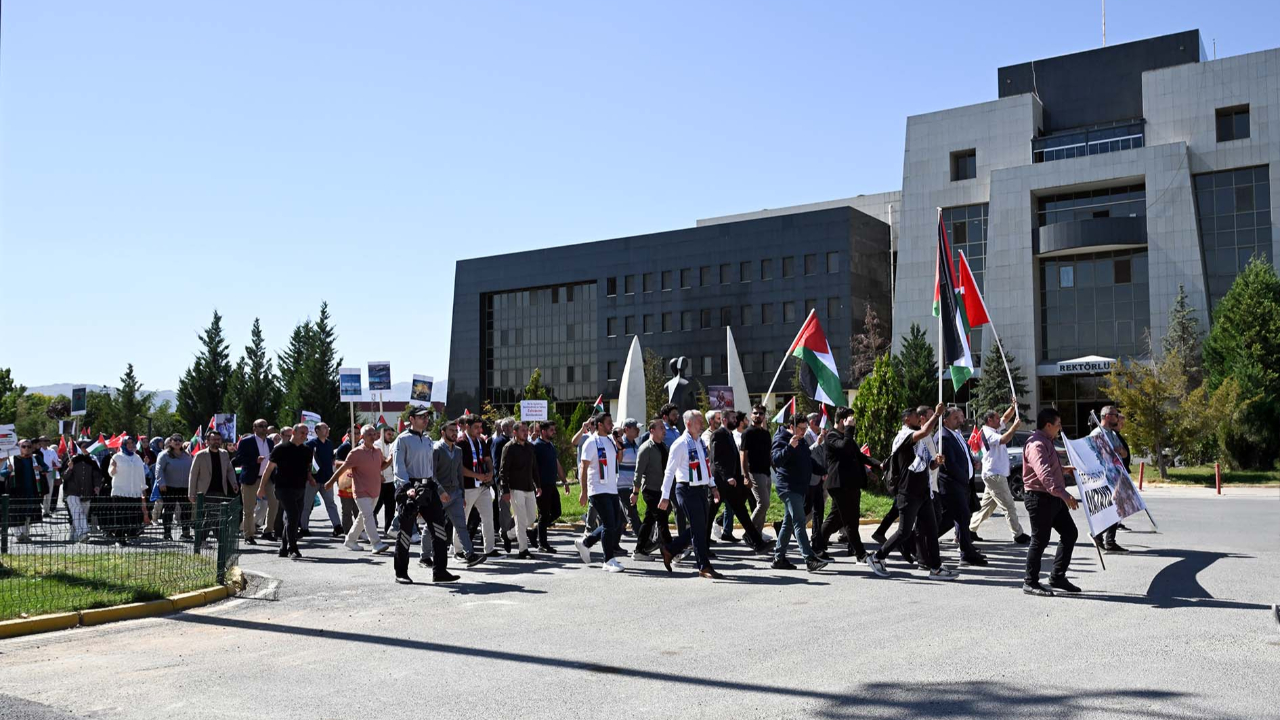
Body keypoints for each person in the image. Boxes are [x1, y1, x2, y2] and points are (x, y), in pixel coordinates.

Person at [867, 405, 958, 580]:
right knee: (904, 532)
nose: (920, 419)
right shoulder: (904, 436)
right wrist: (937, 414)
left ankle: (936, 567)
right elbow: (924, 432)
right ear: (907, 420)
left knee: (932, 530)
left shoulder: (918, 442)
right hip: (908, 492)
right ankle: (877, 557)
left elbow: (926, 465)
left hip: (923, 492)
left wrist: (936, 463)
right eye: (917, 417)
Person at [392, 409, 479, 584]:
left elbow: (431, 470)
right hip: (408, 487)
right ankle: (401, 572)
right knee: (406, 533)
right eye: (421, 417)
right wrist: (407, 487)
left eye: (426, 417)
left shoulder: (427, 440)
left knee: (439, 530)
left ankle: (440, 571)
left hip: (428, 487)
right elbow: (399, 466)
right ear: (411, 419)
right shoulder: (402, 439)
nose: (425, 420)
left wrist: (438, 490)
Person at [657, 410, 723, 578]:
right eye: (698, 422)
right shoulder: (680, 444)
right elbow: (669, 471)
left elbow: (706, 467)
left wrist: (713, 487)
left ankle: (670, 549)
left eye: (701, 421)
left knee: (699, 527)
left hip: (701, 489)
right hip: (686, 490)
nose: (701, 425)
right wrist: (665, 496)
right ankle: (704, 566)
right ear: (688, 424)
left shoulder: (700, 442)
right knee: (699, 528)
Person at [1022, 408, 1081, 596]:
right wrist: (1065, 495)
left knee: (1070, 533)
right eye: (1058, 425)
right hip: (1040, 498)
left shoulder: (1046, 441)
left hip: (1051, 497)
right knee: (1040, 540)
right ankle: (1030, 582)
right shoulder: (1036, 445)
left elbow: (1049, 468)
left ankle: (1057, 576)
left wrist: (1063, 469)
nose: (1060, 428)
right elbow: (1045, 476)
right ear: (1048, 425)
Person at [813, 407, 882, 561]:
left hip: (851, 484)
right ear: (843, 420)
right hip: (839, 485)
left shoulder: (846, 436)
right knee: (850, 520)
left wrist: (880, 465)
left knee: (836, 519)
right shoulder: (831, 436)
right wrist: (849, 429)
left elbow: (860, 456)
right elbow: (843, 448)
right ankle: (860, 554)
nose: (853, 423)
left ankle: (817, 547)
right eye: (850, 420)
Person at [770, 414, 828, 572]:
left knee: (788, 524)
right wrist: (789, 447)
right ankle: (809, 559)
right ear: (791, 427)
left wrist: (823, 470)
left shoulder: (801, 441)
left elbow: (808, 461)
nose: (803, 432)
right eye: (801, 428)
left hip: (799, 487)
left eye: (805, 428)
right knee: (799, 522)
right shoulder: (782, 438)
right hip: (788, 487)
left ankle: (778, 558)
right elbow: (775, 460)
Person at [708, 409, 771, 554]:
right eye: (732, 418)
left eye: (736, 419)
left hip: (732, 484)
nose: (736, 421)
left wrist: (738, 478)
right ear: (724, 420)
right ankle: (703, 547)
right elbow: (715, 460)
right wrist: (727, 477)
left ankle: (758, 543)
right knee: (709, 515)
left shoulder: (730, 435)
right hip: (720, 483)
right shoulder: (718, 435)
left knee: (742, 512)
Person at [969, 404, 1030, 544]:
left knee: (986, 507)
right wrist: (1014, 427)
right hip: (994, 475)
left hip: (993, 475)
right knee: (1009, 505)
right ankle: (1018, 534)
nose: (1000, 420)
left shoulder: (993, 428)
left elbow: (1005, 417)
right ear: (989, 420)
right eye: (996, 418)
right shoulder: (988, 432)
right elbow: (1004, 439)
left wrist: (1013, 407)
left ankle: (969, 530)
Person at [328, 425, 391, 555]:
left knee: (362, 517)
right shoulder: (355, 453)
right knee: (368, 517)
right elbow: (342, 468)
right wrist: (331, 482)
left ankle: (350, 540)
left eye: (374, 434)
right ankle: (376, 543)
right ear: (362, 437)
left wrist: (390, 459)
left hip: (375, 490)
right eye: (369, 434)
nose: (373, 437)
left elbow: (381, 466)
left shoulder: (378, 451)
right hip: (361, 492)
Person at [937, 408, 988, 567]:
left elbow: (963, 456)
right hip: (953, 484)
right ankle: (966, 553)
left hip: (962, 484)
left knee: (957, 518)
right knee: (960, 517)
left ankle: (966, 551)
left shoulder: (956, 434)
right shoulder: (943, 437)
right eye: (956, 418)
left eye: (961, 417)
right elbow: (949, 465)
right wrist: (964, 478)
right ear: (945, 420)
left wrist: (973, 463)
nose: (961, 420)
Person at [574, 412, 625, 572]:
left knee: (615, 524)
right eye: (609, 423)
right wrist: (583, 491)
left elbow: (619, 460)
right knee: (609, 525)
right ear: (600, 425)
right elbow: (583, 468)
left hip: (611, 488)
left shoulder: (610, 440)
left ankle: (586, 543)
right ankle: (608, 560)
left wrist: (620, 444)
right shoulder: (591, 442)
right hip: (597, 489)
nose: (612, 425)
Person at [257, 423, 315, 559]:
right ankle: (292, 547)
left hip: (300, 488)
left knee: (292, 518)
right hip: (283, 488)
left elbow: (307, 468)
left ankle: (283, 547)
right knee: (293, 515)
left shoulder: (307, 450)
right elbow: (268, 469)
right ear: (293, 433)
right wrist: (261, 488)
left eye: (306, 434)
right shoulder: (280, 449)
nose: (304, 436)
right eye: (302, 433)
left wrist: (310, 478)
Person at [188, 430, 238, 549]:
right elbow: (193, 474)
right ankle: (204, 540)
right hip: (206, 491)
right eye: (213, 439)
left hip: (221, 490)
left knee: (217, 517)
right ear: (207, 441)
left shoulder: (224, 454)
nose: (216, 442)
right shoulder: (200, 455)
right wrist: (191, 493)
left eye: (218, 439)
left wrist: (234, 483)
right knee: (211, 516)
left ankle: (213, 540)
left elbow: (229, 470)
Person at [499, 421, 541, 559]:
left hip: (529, 487)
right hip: (515, 488)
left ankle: (508, 534)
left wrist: (538, 485)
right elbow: (503, 471)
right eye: (522, 430)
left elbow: (534, 467)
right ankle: (523, 550)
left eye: (526, 430)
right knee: (521, 519)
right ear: (515, 432)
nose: (525, 432)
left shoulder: (530, 447)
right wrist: (504, 490)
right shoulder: (509, 447)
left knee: (531, 518)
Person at [631, 418, 673, 558]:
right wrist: (635, 492)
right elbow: (638, 472)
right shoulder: (646, 448)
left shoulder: (664, 447)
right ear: (652, 430)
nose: (664, 431)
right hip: (650, 489)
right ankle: (672, 550)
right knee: (661, 519)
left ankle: (639, 550)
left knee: (649, 520)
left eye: (664, 428)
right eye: (661, 428)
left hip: (662, 490)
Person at [1090, 405, 1130, 554]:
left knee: (1115, 508)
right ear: (1107, 416)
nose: (1117, 418)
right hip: (1104, 477)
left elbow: (1124, 453)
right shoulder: (1097, 434)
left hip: (1116, 476)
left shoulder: (1112, 434)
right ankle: (1102, 537)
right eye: (1115, 415)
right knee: (1110, 508)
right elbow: (1094, 455)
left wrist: (1120, 451)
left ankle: (1105, 538)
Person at [457, 414, 498, 556]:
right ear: (466, 426)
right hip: (468, 486)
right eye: (476, 427)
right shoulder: (460, 442)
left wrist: (491, 471)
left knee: (488, 517)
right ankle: (457, 550)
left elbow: (487, 459)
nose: (479, 430)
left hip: (483, 485)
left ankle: (490, 549)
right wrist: (477, 475)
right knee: (462, 519)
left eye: (480, 427)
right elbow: (459, 468)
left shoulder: (481, 441)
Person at [233, 419, 275, 545]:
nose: (264, 428)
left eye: (265, 426)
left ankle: (268, 531)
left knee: (274, 504)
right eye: (261, 426)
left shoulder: (270, 442)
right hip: (251, 478)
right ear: (254, 428)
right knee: (249, 508)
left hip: (267, 478)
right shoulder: (246, 441)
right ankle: (249, 535)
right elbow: (239, 459)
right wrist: (254, 460)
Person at [1, 438, 48, 542]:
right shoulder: (12, 459)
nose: (27, 448)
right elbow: (2, 473)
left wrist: (41, 468)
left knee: (28, 512)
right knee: (15, 512)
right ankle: (18, 534)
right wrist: (8, 470)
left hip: (32, 490)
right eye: (24, 446)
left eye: (29, 446)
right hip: (15, 491)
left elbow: (46, 467)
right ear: (19, 447)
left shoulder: (36, 458)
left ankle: (25, 534)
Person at [107, 436, 150, 547]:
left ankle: (130, 534)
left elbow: (141, 473)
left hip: (134, 491)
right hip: (120, 491)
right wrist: (114, 468)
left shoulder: (137, 457)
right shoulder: (117, 456)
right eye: (128, 443)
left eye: (132, 443)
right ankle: (119, 538)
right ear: (124, 444)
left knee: (132, 515)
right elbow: (111, 473)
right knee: (121, 516)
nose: (131, 445)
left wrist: (143, 488)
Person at [303, 423, 344, 539]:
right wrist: (309, 477)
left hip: (327, 480)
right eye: (324, 428)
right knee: (307, 504)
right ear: (317, 431)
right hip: (313, 480)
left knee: (331, 504)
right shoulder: (310, 444)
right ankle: (304, 527)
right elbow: (307, 462)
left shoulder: (329, 443)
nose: (327, 430)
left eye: (328, 428)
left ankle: (337, 526)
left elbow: (331, 459)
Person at [531, 421, 564, 553]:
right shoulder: (536, 446)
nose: (554, 432)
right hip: (541, 486)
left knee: (557, 512)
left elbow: (557, 464)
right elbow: (532, 468)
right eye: (551, 430)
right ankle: (543, 544)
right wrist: (536, 485)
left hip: (551, 484)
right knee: (544, 515)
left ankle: (535, 532)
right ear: (543, 431)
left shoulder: (550, 445)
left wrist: (565, 481)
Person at [739, 404, 773, 533]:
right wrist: (746, 476)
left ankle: (757, 536)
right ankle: (749, 533)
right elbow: (743, 455)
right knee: (763, 504)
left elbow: (769, 454)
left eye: (761, 413)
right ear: (751, 415)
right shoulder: (747, 433)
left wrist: (777, 470)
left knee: (764, 507)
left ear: (764, 416)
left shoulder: (766, 434)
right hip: (754, 472)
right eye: (755, 413)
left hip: (766, 473)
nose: (758, 415)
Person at [62, 440, 103, 542]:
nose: (86, 448)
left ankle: (75, 534)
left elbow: (97, 476)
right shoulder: (69, 459)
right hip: (72, 492)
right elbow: (64, 476)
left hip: (87, 492)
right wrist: (69, 468)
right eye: (84, 446)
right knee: (77, 512)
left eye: (88, 446)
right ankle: (83, 533)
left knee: (83, 514)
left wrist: (97, 486)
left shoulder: (92, 461)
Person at [155, 434, 194, 540]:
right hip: (168, 487)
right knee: (168, 510)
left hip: (185, 487)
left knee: (186, 511)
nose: (177, 442)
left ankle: (185, 533)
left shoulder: (187, 455)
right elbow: (159, 470)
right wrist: (161, 483)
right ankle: (167, 534)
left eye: (179, 440)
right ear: (170, 442)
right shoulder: (164, 455)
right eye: (175, 440)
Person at [615, 419, 643, 536]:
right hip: (622, 485)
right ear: (626, 430)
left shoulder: (635, 446)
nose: (638, 430)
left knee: (621, 518)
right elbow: (617, 461)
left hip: (631, 486)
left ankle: (613, 544)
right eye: (635, 428)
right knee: (632, 514)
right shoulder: (620, 445)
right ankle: (644, 541)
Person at [372, 425, 399, 533]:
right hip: (379, 481)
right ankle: (371, 528)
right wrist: (378, 474)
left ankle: (388, 530)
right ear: (382, 434)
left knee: (390, 507)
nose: (391, 436)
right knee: (376, 506)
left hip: (391, 481)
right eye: (388, 434)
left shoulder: (393, 445)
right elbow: (373, 464)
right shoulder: (376, 446)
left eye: (392, 435)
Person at [37, 436, 60, 517]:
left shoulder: (52, 451)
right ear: (40, 441)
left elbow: (57, 463)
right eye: (44, 440)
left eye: (47, 440)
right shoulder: (37, 451)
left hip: (50, 473)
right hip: (39, 473)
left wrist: (56, 475)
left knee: (49, 492)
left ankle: (46, 511)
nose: (46, 442)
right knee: (39, 492)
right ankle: (39, 510)